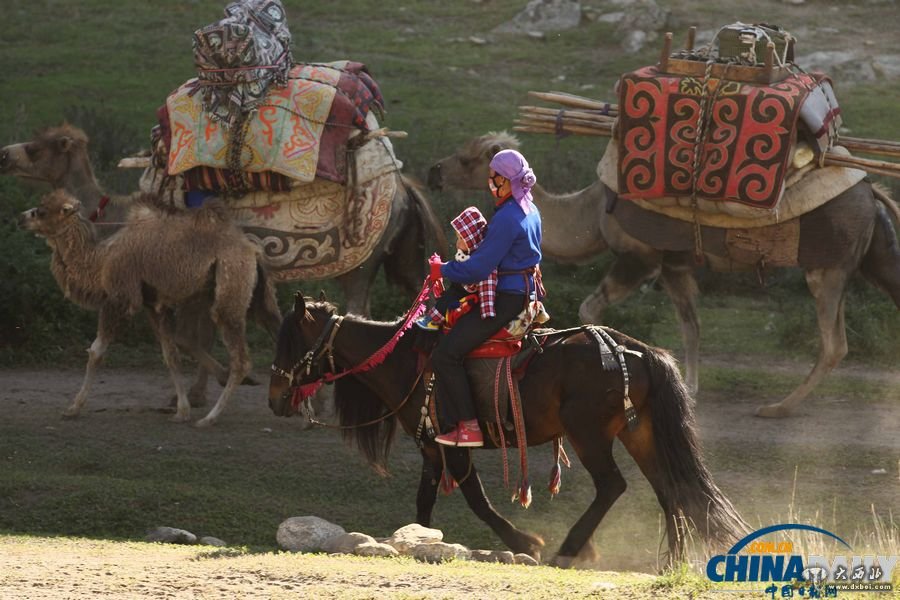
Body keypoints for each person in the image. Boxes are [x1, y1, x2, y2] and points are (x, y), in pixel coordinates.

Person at [428, 149, 543, 447]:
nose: (489, 183)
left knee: (445, 354)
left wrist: (442, 269)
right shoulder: (530, 209)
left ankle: (469, 427)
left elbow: (479, 267)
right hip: (526, 293)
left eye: (493, 177)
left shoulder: (507, 217)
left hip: (507, 298)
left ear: (505, 180)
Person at [416, 206, 496, 330]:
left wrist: (487, 311)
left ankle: (434, 320)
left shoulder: (480, 260)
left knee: (448, 300)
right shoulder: (468, 254)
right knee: (446, 296)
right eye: (457, 238)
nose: (457, 243)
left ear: (472, 239)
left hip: (466, 293)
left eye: (461, 239)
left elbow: (487, 284)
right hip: (458, 288)